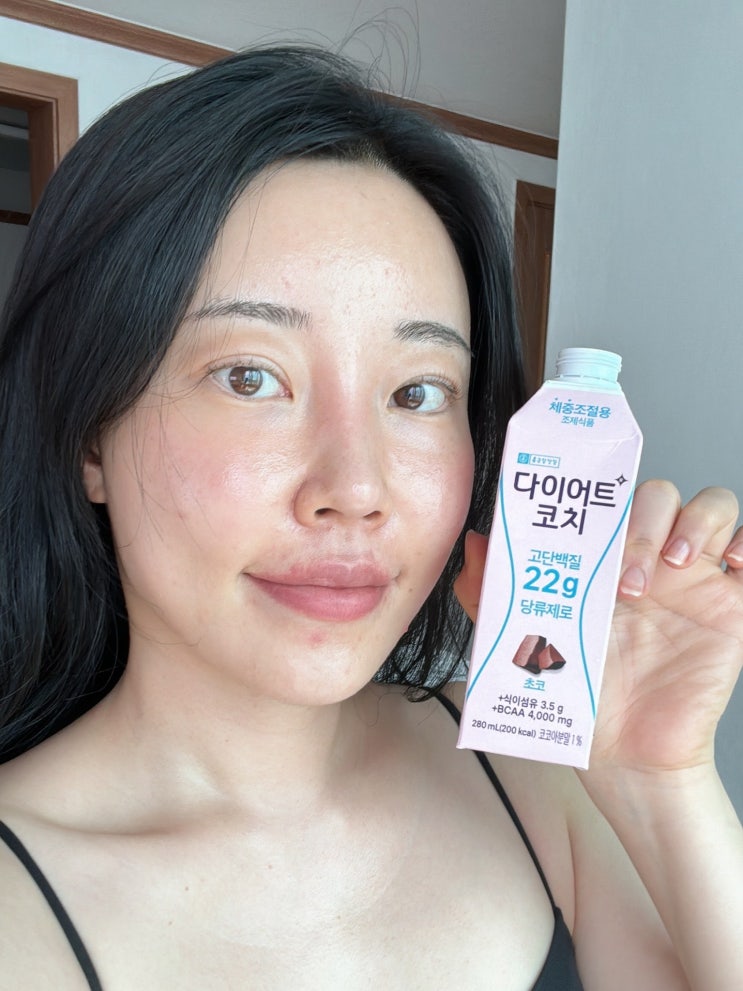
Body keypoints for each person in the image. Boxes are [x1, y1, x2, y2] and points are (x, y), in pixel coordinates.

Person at [0, 45, 741, 991]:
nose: (356, 487)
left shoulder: (525, 775)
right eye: (250, 377)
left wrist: (660, 782)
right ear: (90, 438)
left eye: (417, 392)